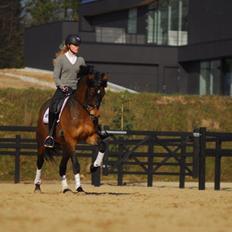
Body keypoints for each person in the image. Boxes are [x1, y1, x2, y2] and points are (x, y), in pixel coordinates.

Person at [44, 34, 85, 148]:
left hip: (76, 90)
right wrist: (61, 86)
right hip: (63, 89)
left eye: (78, 45)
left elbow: (83, 77)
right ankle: (50, 136)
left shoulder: (81, 60)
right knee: (53, 107)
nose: (77, 47)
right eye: (75, 45)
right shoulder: (61, 59)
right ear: (68, 45)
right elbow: (56, 77)